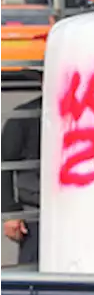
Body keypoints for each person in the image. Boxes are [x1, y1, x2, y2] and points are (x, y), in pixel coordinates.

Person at [0, 95, 41, 265]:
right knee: (33, 281)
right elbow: (4, 166)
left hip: (78, 213)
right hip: (34, 217)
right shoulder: (24, 117)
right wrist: (10, 213)